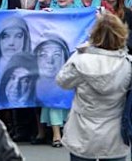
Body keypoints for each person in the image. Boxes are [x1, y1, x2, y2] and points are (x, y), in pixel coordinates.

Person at [57, 13, 132, 161]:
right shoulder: (128, 64)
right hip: (114, 133)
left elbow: (62, 81)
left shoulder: (81, 60)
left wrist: (78, 53)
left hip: (82, 132)